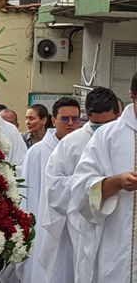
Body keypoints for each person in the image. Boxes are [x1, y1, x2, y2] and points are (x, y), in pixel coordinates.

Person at [40, 87, 119, 283]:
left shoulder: (127, 140)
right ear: (88, 117)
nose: (102, 130)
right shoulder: (70, 143)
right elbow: (54, 186)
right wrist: (90, 185)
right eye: (96, 125)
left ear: (118, 114)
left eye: (108, 123)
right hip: (81, 223)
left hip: (118, 221)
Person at [70, 72, 137, 282]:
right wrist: (116, 182)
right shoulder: (107, 136)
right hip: (117, 248)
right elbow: (81, 189)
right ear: (132, 95)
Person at [17, 97, 81, 283]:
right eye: (65, 118)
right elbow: (27, 196)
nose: (70, 123)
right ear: (53, 120)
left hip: (77, 226)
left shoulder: (87, 148)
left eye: (75, 119)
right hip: (43, 226)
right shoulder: (37, 152)